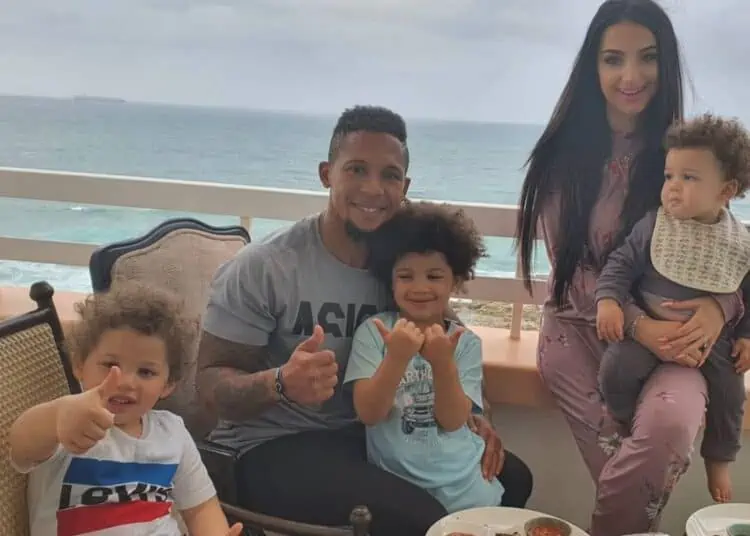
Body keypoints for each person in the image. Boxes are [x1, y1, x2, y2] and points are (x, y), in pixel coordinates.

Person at [196, 105, 533, 536]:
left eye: (389, 175)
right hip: (269, 446)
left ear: (404, 188)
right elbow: (209, 385)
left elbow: (448, 337)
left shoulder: (398, 267)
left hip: (368, 436)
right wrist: (279, 383)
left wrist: (478, 418)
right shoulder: (267, 266)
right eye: (356, 169)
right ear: (326, 174)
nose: (373, 188)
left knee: (512, 480)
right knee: (427, 519)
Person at [515, 1, 745, 534]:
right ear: (592, 66)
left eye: (648, 57)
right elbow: (573, 275)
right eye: (613, 58)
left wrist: (720, 308)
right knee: (627, 472)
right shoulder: (563, 157)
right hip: (580, 330)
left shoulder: (687, 153)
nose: (631, 76)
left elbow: (724, 245)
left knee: (670, 427)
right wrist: (641, 326)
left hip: (676, 343)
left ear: (667, 65)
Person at [596, 113, 750, 503]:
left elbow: (746, 291)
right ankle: (622, 421)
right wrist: (609, 300)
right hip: (648, 328)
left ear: (726, 190)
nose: (673, 187)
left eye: (690, 178)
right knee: (616, 367)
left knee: (732, 393)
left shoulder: (740, 241)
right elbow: (619, 265)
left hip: (710, 343)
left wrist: (747, 336)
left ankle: (719, 458)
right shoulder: (654, 226)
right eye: (669, 176)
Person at [9, 284, 243, 536]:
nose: (126, 382)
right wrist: (57, 416)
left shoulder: (172, 432)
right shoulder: (69, 422)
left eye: (146, 372)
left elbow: (200, 508)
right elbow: (22, 445)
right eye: (111, 365)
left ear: (168, 384)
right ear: (79, 365)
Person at [345, 201, 504, 513]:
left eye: (434, 276)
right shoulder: (374, 332)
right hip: (398, 486)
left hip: (466, 486)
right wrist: (396, 358)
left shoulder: (465, 343)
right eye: (406, 276)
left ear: (455, 281)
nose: (420, 287)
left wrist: (443, 363)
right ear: (390, 281)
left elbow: (453, 421)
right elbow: (369, 413)